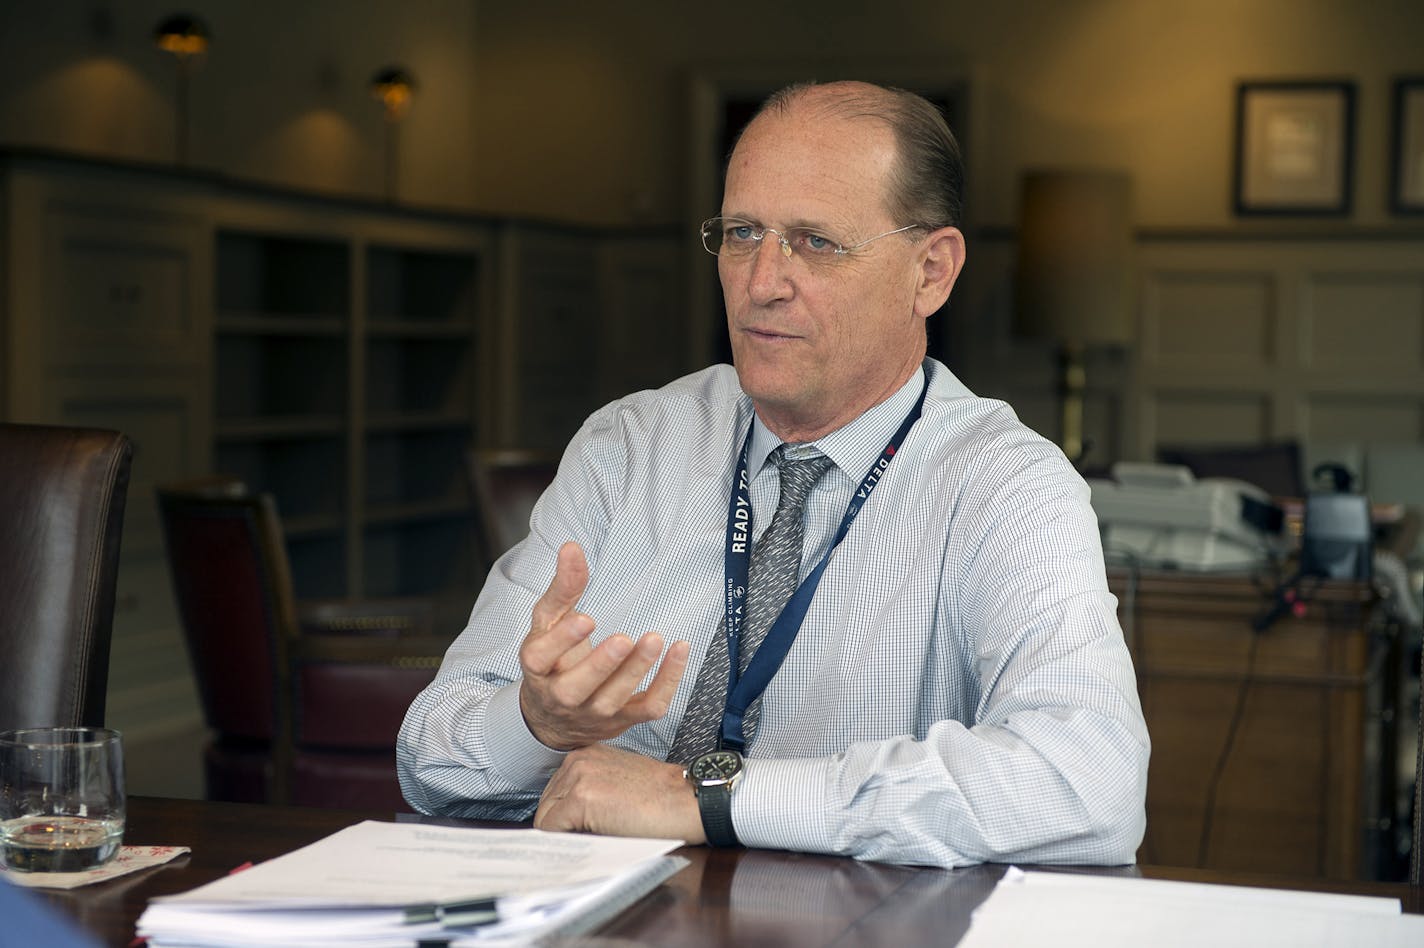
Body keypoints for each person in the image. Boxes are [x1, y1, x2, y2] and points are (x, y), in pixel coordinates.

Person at [397, 79, 1149, 869]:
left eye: (816, 243)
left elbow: (1086, 784)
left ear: (931, 271)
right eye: (742, 232)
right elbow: (429, 760)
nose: (761, 280)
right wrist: (537, 724)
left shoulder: (1006, 487)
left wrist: (713, 800)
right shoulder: (629, 445)